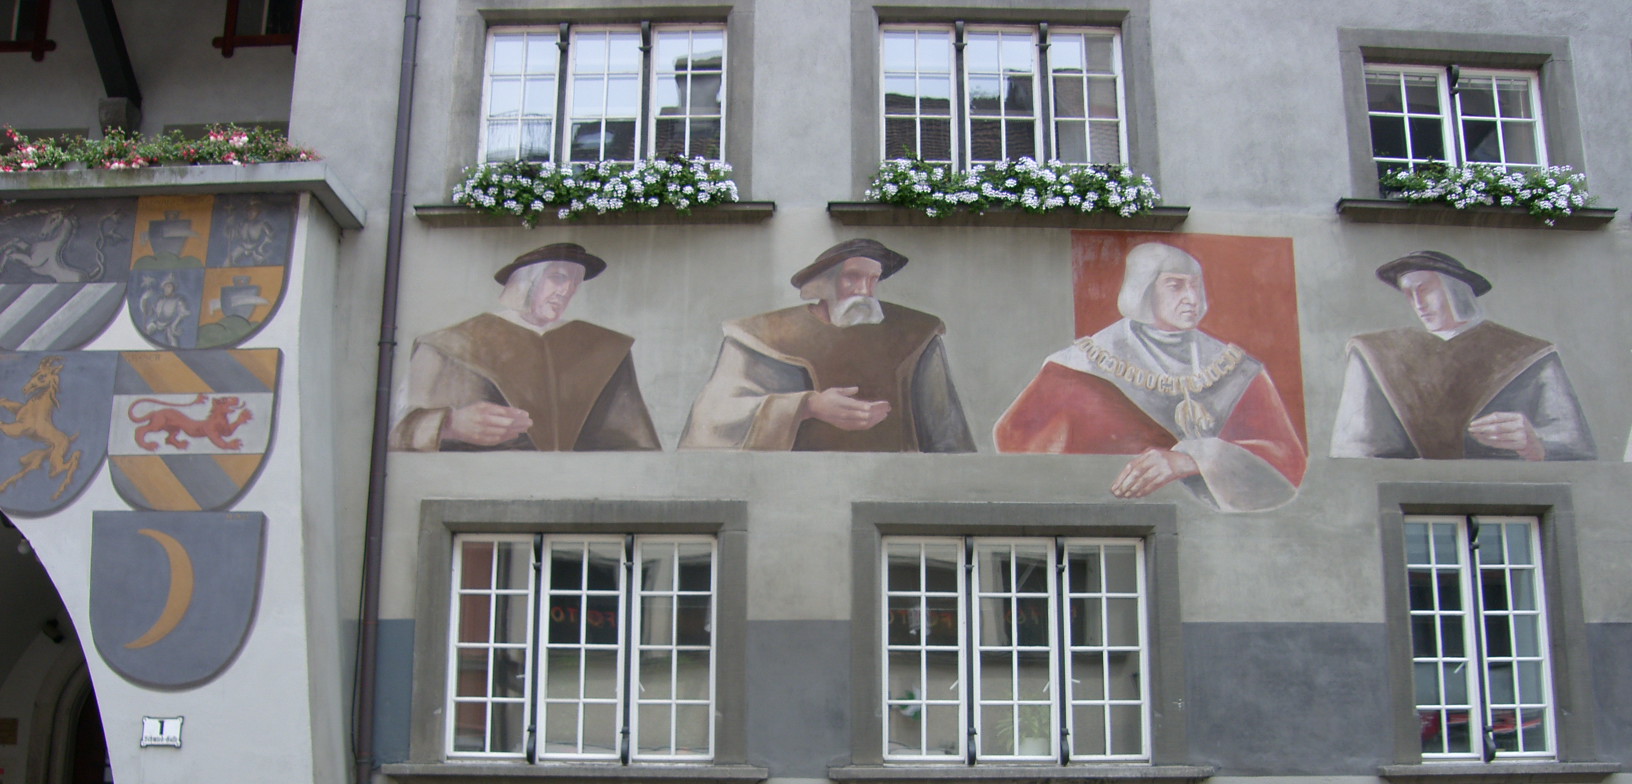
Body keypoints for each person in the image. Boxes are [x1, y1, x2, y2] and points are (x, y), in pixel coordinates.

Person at [994, 242, 1306, 511]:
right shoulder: (1076, 368)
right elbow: (1023, 457)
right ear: (1142, 289)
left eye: (1195, 286)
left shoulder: (1237, 369)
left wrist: (1194, 459)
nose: (1191, 298)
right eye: (1175, 286)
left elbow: (1286, 464)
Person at [679, 238, 974, 452]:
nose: (865, 291)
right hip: (788, 485)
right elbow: (712, 419)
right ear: (823, 284)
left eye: (873, 280)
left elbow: (947, 433)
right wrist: (808, 406)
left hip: (896, 485)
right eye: (852, 278)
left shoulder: (916, 333)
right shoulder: (760, 335)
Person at [391, 242, 659, 452]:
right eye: (557, 277)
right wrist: (450, 424)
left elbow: (634, 442)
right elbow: (395, 431)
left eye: (575, 282)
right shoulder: (448, 343)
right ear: (524, 282)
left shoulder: (605, 347)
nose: (567, 290)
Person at [1331, 250, 1594, 461]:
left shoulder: (1530, 354)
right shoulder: (1378, 353)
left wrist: (1535, 444)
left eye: (1425, 289)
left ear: (1456, 290)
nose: (1418, 304)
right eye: (1409, 294)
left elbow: (1575, 445)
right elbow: (1355, 450)